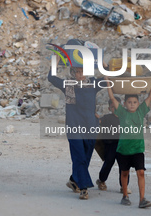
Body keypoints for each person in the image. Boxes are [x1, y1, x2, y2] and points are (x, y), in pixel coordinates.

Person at [48, 64, 103, 200]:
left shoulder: (93, 84)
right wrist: (55, 62)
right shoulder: (68, 85)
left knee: (86, 157)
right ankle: (83, 189)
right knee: (79, 156)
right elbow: (51, 77)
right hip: (74, 126)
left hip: (90, 126)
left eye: (82, 71)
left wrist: (106, 67)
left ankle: (74, 180)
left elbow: (109, 81)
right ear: (73, 72)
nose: (80, 74)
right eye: (77, 72)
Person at [106, 76, 151, 208]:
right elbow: (112, 98)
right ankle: (125, 195)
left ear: (138, 103)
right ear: (125, 104)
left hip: (138, 149)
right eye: (129, 102)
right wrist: (108, 82)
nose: (132, 104)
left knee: (140, 172)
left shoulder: (141, 111)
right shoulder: (122, 113)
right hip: (123, 149)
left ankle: (142, 199)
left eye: (135, 102)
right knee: (124, 173)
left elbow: (150, 97)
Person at [96, 97, 131, 194]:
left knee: (124, 166)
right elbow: (98, 121)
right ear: (109, 109)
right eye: (112, 107)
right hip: (110, 145)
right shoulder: (107, 118)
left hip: (123, 145)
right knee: (108, 163)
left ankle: (124, 186)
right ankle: (101, 181)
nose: (115, 109)